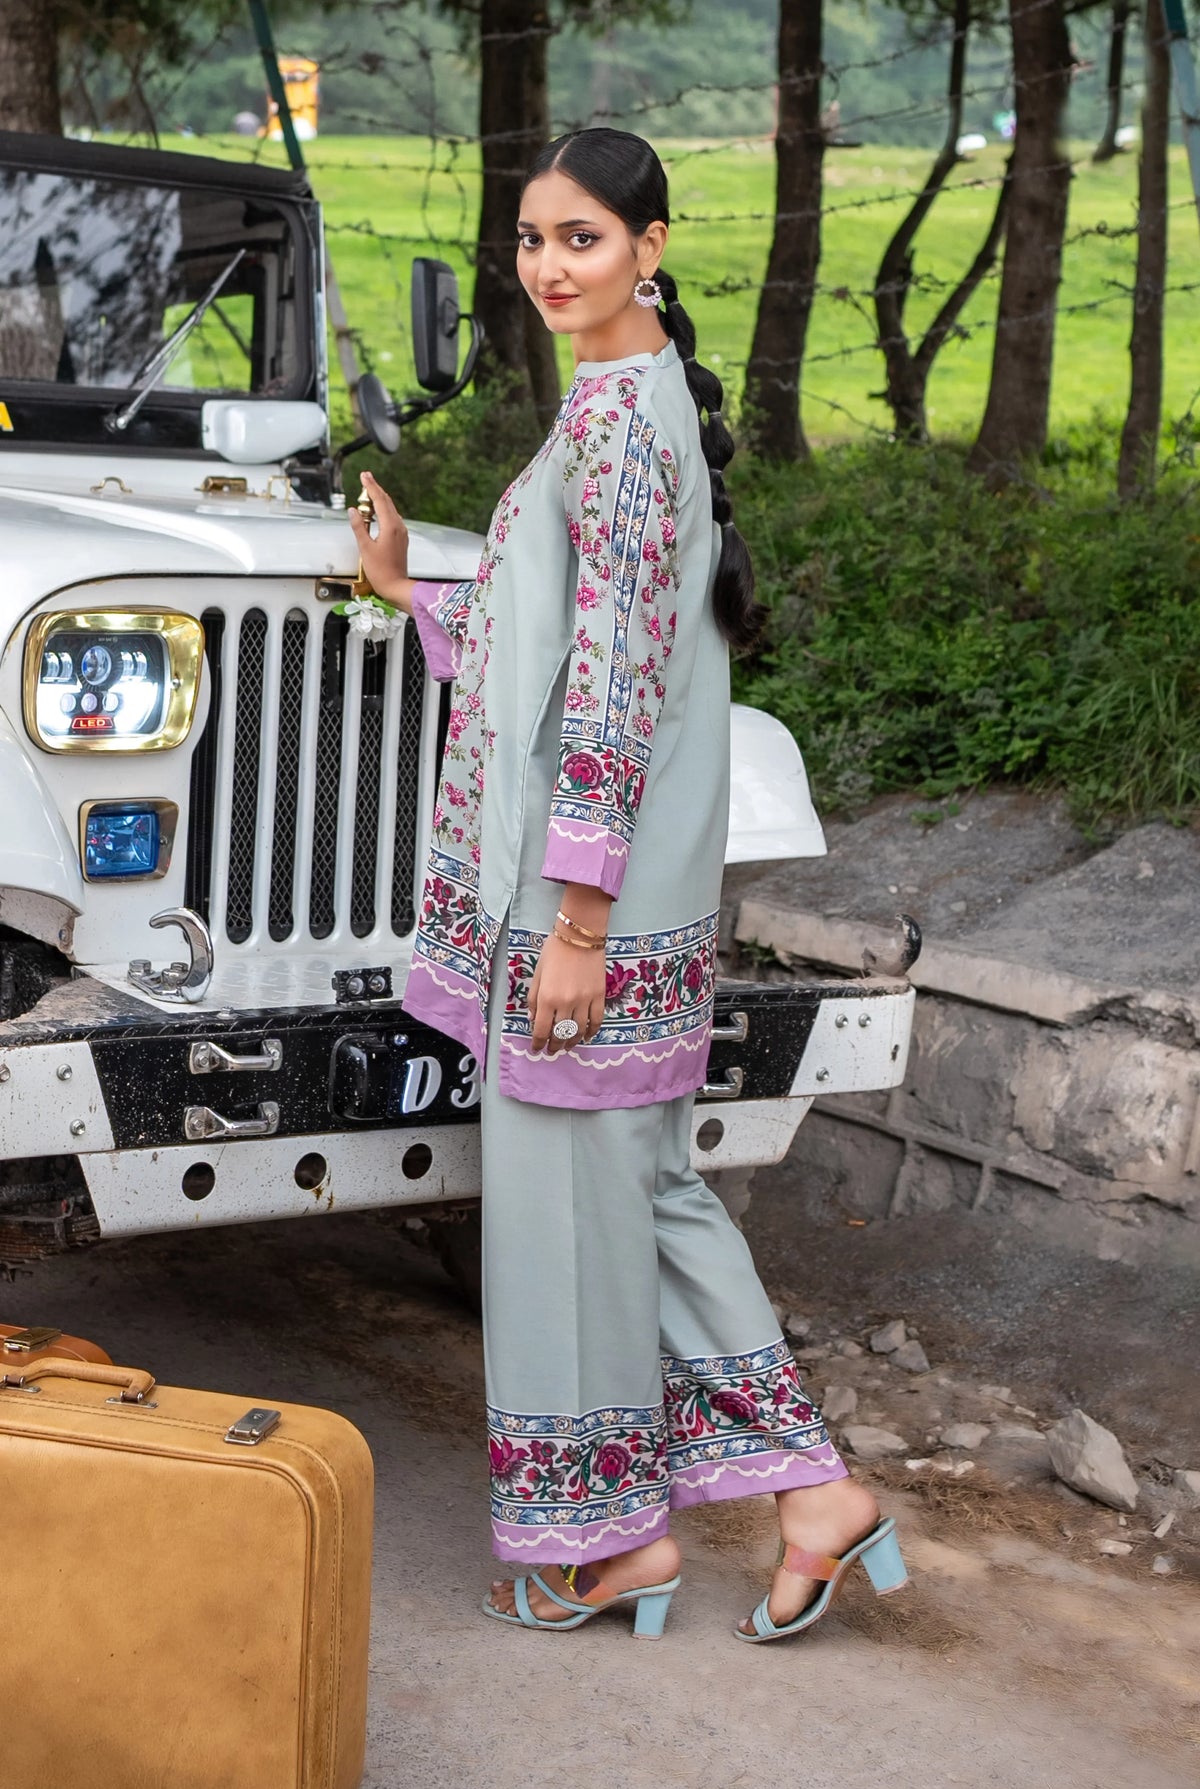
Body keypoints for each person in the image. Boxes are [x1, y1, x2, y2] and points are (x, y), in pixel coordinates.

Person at [349, 126, 907, 1642]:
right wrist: (418, 589)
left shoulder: (624, 426)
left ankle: (611, 1545)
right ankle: (815, 1498)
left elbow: (613, 687)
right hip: (617, 893)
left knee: (561, 1224)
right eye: (533, 238)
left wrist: (577, 923)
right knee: (648, 1195)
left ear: (650, 248)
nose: (548, 265)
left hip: (584, 905)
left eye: (581, 237)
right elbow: (564, 627)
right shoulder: (621, 401)